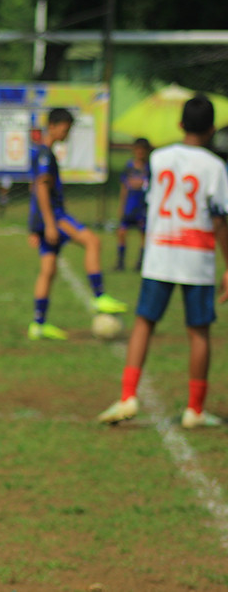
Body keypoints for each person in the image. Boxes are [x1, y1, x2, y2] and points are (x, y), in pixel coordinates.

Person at [98, 94, 228, 428]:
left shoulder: (158, 158)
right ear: (212, 129)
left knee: (144, 322)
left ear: (180, 124)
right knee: (198, 332)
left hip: (160, 253)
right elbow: (219, 220)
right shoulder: (215, 167)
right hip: (196, 257)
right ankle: (194, 410)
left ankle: (128, 396)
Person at [28, 107, 127, 340]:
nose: (68, 133)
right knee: (92, 241)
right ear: (52, 126)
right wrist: (50, 224)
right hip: (55, 217)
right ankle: (99, 296)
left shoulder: (45, 152)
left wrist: (34, 227)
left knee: (48, 271)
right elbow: (40, 189)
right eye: (65, 128)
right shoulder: (44, 155)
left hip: (45, 220)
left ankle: (38, 324)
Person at [115, 137, 152, 271]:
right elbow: (124, 187)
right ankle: (120, 262)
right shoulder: (129, 167)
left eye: (143, 150)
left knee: (143, 234)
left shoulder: (149, 169)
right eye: (138, 150)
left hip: (142, 207)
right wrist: (121, 206)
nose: (140, 153)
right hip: (130, 206)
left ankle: (141, 262)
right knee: (122, 232)